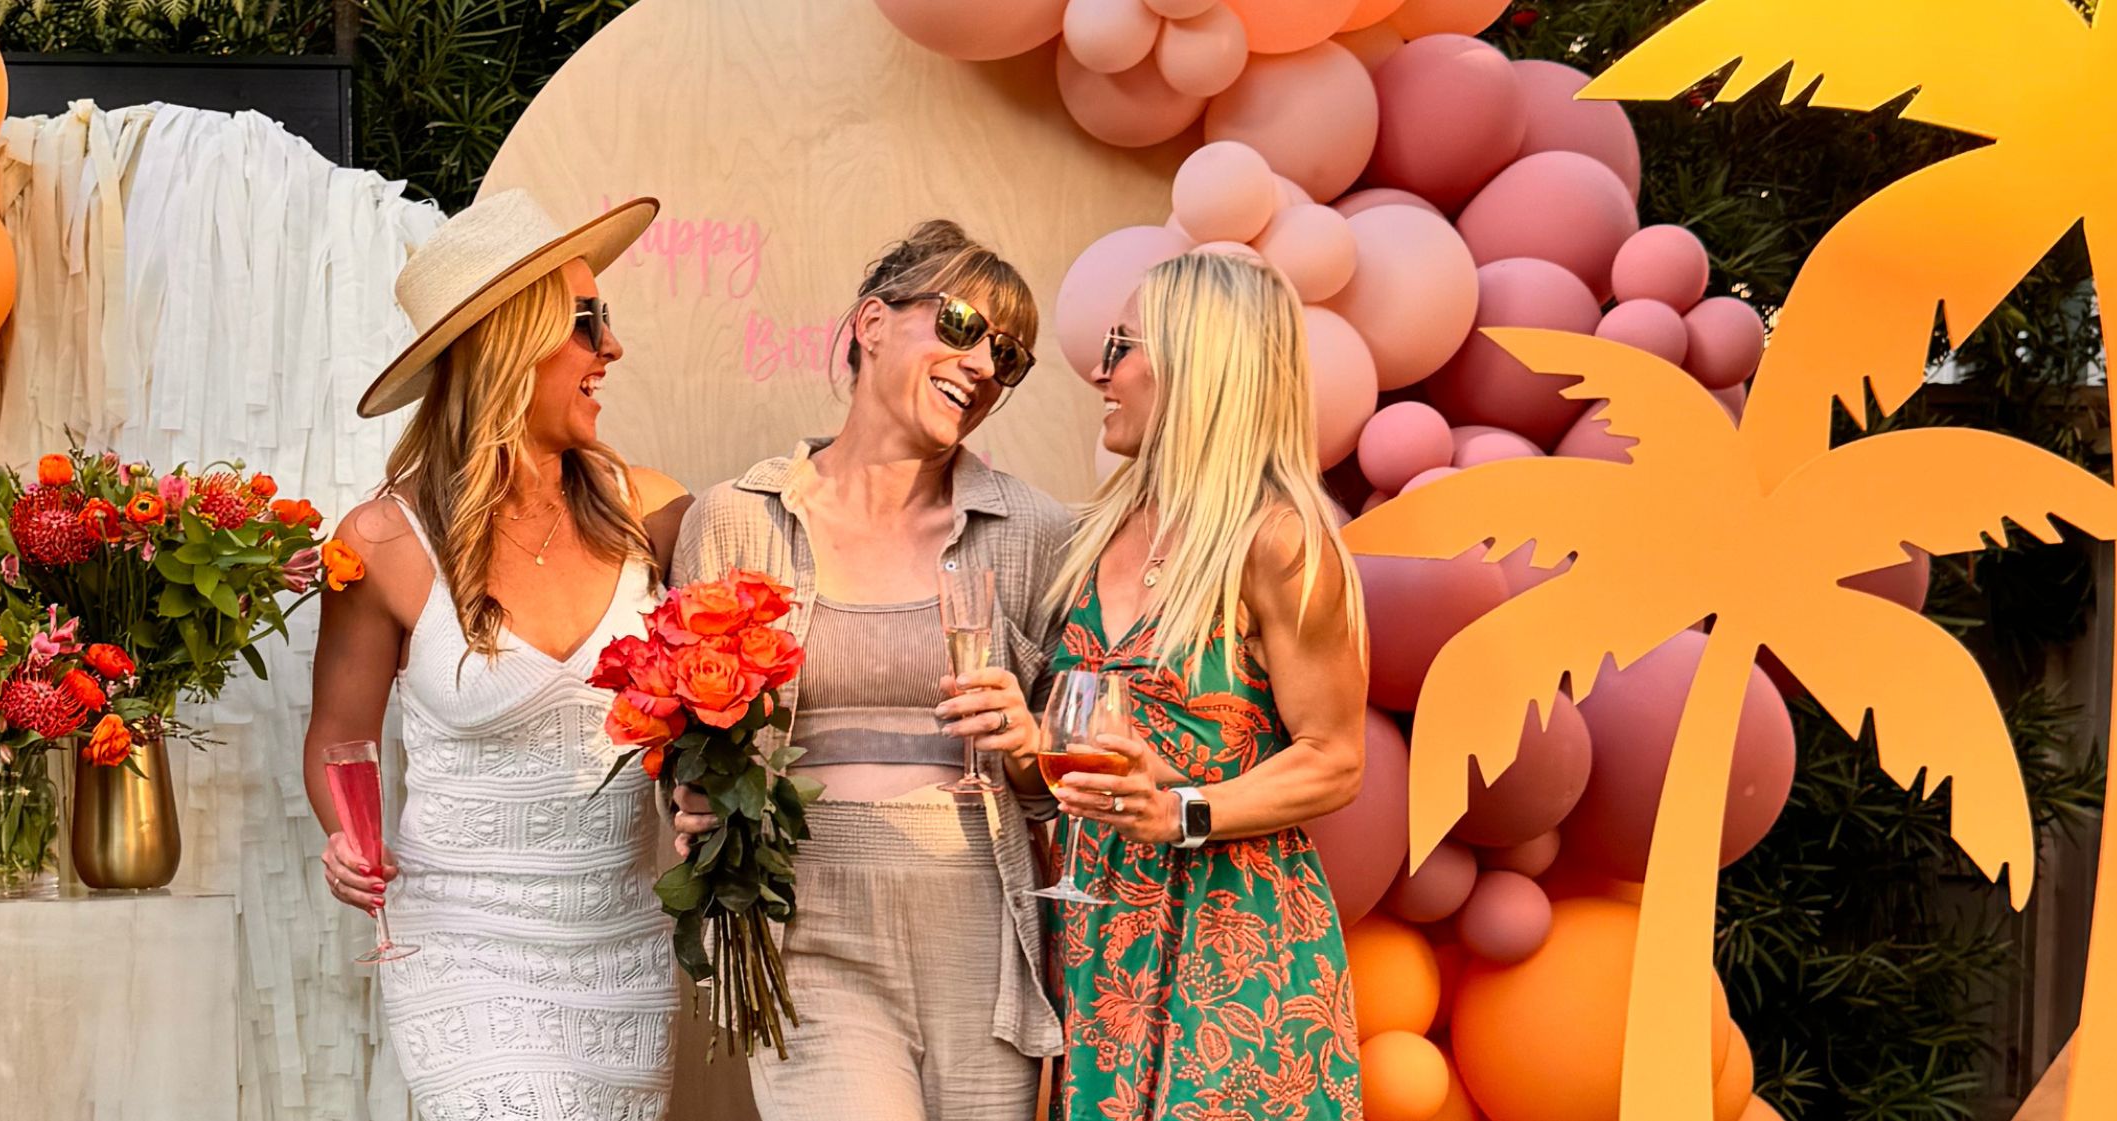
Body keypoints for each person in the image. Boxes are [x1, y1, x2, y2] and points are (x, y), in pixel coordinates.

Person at [304, 189, 693, 1120]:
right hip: (460, 949)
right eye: (587, 320)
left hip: (621, 952)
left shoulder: (655, 516)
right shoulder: (382, 543)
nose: (612, 347)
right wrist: (344, 837)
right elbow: (336, 739)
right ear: (509, 342)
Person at [669, 220, 1070, 1119]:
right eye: (962, 325)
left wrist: (1025, 745)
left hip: (980, 923)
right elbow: (688, 732)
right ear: (872, 322)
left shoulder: (1036, 534)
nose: (984, 365)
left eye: (1008, 356)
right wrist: (690, 795)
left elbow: (1061, 785)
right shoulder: (737, 518)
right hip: (807, 917)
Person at [1040, 251, 1373, 1117]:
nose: (1098, 371)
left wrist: (1181, 811)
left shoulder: (1277, 541)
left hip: (1231, 949)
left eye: (1121, 345)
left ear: (1196, 364)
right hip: (1097, 942)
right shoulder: (1092, 533)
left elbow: (1335, 758)